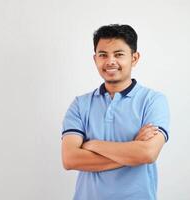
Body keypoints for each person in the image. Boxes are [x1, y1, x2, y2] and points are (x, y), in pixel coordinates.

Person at [61, 24, 170, 200]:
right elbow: (70, 159)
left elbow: (148, 153)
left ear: (134, 58)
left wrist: (92, 144)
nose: (110, 61)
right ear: (95, 59)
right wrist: (132, 151)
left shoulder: (153, 101)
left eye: (119, 54)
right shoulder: (80, 105)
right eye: (103, 55)